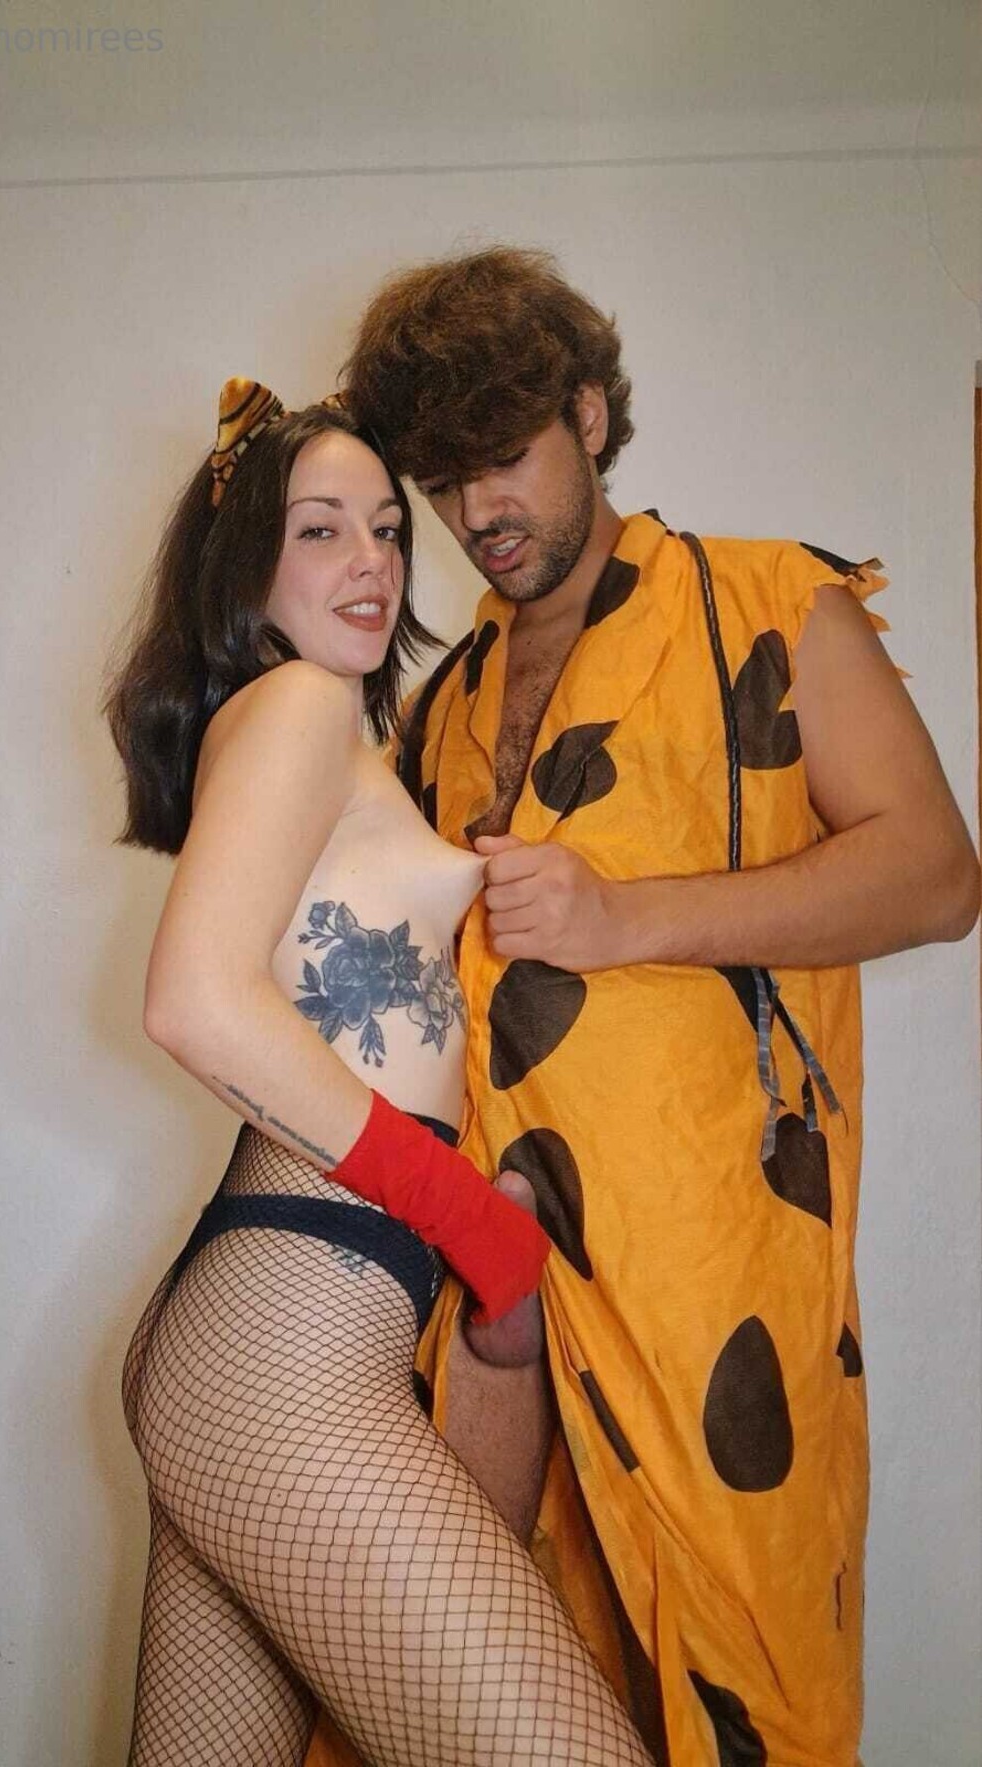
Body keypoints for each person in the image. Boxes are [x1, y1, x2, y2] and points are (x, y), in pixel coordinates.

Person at [310, 247, 982, 1767]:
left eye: (506, 453)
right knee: (462, 1703)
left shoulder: (771, 603)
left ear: (591, 417)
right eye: (443, 478)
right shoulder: (442, 700)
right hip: (491, 1299)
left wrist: (629, 917)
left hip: (712, 1285)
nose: (479, 508)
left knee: (746, 1707)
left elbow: (938, 874)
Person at [105, 378, 653, 1767]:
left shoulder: (342, 741)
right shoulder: (298, 705)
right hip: (282, 1356)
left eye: (387, 530)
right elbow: (195, 1002)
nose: (370, 562)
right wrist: (475, 1224)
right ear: (248, 569)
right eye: (320, 530)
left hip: (261, 1333)